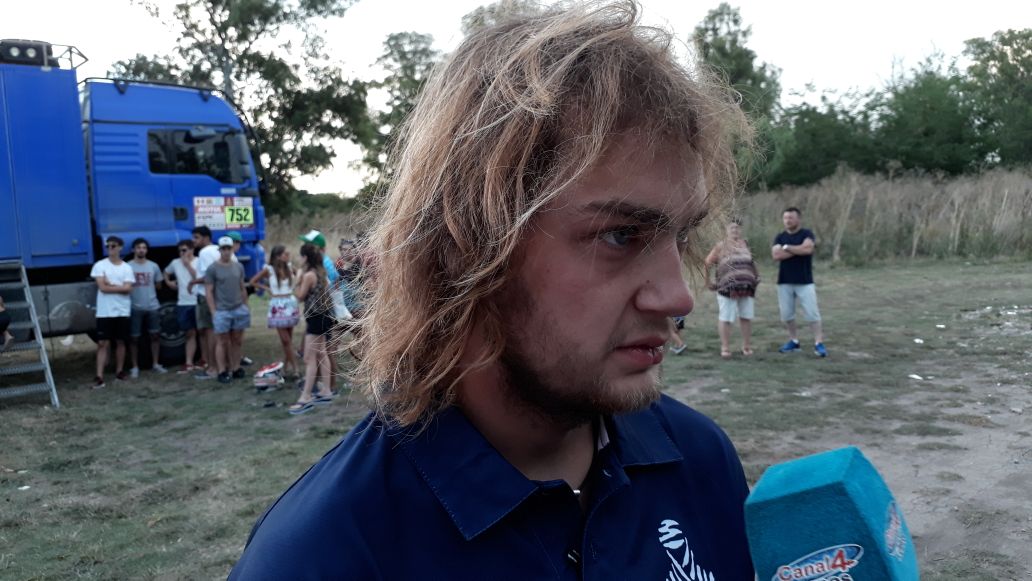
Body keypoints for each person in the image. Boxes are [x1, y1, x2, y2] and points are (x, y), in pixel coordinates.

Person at [230, 3, 754, 579]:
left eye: (681, 236)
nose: (679, 298)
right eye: (621, 235)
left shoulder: (701, 460)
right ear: (466, 246)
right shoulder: (325, 557)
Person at [772, 207, 827, 357]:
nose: (788, 221)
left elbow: (808, 250)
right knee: (787, 314)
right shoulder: (780, 237)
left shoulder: (807, 234)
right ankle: (794, 341)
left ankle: (819, 343)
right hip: (784, 281)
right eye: (785, 218)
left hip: (805, 281)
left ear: (798, 219)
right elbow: (776, 255)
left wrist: (787, 248)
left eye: (791, 218)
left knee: (812, 313)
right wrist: (799, 249)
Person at [288, 243, 336, 415]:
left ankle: (306, 397)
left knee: (309, 357)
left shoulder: (309, 275)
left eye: (301, 256)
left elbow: (300, 296)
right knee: (322, 353)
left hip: (315, 319)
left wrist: (296, 281)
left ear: (305, 257)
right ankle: (326, 391)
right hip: (325, 317)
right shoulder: (321, 272)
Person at [705, 220, 759, 358]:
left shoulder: (745, 244)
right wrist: (708, 281)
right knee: (726, 317)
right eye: (732, 228)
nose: (735, 230)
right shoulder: (720, 246)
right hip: (727, 288)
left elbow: (752, 262)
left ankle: (746, 346)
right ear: (726, 230)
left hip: (746, 287)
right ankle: (725, 347)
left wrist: (756, 276)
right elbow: (707, 263)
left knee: (746, 316)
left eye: (737, 228)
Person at [204, 236, 250, 384]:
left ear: (232, 249)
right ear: (219, 250)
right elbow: (209, 291)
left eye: (228, 248)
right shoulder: (213, 268)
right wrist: (213, 311)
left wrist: (245, 305)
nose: (226, 251)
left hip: (238, 308)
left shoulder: (238, 266)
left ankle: (236, 367)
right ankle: (222, 370)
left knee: (237, 340)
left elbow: (242, 287)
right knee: (222, 341)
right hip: (222, 310)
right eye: (223, 249)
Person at [90, 236, 135, 388]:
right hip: (105, 311)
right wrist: (118, 287)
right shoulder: (99, 265)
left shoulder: (127, 268)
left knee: (121, 341)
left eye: (113, 246)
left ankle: (119, 371)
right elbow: (102, 288)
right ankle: (99, 376)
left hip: (122, 310)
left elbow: (128, 289)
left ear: (120, 247)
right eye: (108, 246)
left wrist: (111, 285)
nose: (110, 248)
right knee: (102, 343)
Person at [249, 245, 300, 377]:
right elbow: (253, 281)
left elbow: (301, 276)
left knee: (287, 340)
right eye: (285, 254)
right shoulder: (269, 269)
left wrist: (297, 287)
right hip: (277, 305)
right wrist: (267, 289)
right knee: (286, 340)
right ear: (277, 256)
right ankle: (295, 368)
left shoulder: (289, 267)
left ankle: (286, 367)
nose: (288, 256)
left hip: (289, 303)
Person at [127, 238, 167, 377]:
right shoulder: (128, 266)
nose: (141, 250)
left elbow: (159, 284)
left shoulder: (153, 266)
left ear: (147, 250)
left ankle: (156, 364)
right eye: (138, 248)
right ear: (133, 250)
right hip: (134, 307)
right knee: (134, 338)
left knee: (155, 336)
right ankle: (134, 367)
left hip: (152, 306)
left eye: (144, 248)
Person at [164, 240, 200, 373]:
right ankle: (189, 362)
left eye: (184, 250)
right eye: (179, 251)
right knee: (189, 333)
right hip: (183, 302)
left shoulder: (199, 261)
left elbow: (199, 278)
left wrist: (188, 265)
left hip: (197, 301)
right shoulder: (175, 262)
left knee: (203, 333)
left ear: (192, 250)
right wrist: (168, 282)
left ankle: (205, 359)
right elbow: (166, 272)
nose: (181, 253)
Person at [190, 226, 218, 379]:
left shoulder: (205, 252)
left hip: (207, 296)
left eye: (196, 237)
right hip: (221, 296)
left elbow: (209, 276)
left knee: (209, 332)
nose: (193, 241)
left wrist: (193, 282)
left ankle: (212, 367)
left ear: (206, 238)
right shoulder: (221, 250)